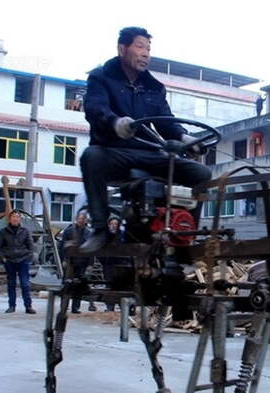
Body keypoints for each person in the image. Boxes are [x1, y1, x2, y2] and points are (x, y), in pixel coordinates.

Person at [79, 26, 212, 253]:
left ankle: (185, 233)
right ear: (122, 48)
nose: (145, 53)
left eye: (148, 49)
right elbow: (95, 109)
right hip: (114, 151)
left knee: (202, 174)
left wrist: (185, 137)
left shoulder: (153, 87)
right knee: (91, 157)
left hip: (148, 152)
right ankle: (101, 229)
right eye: (140, 47)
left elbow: (165, 122)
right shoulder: (100, 78)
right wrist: (115, 122)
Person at [0, 210, 36, 314]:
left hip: (23, 260)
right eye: (13, 217)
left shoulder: (25, 231)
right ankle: (11, 306)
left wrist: (28, 257)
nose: (15, 219)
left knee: (25, 284)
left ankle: (28, 306)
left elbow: (31, 246)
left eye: (17, 217)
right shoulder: (3, 231)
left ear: (20, 219)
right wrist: (3, 259)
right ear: (10, 219)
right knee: (11, 284)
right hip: (9, 261)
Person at [60, 211, 92, 313]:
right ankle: (64, 306)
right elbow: (62, 247)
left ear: (86, 220)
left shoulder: (88, 233)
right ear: (76, 219)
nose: (81, 220)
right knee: (67, 285)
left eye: (83, 219)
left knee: (79, 285)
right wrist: (64, 259)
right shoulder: (69, 231)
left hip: (82, 263)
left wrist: (90, 264)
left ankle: (75, 307)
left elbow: (92, 250)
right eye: (79, 218)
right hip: (70, 262)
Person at [101, 216, 124, 312]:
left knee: (120, 286)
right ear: (108, 225)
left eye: (116, 224)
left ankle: (123, 306)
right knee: (109, 285)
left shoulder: (122, 236)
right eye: (112, 224)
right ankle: (110, 307)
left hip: (120, 265)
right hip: (108, 265)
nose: (114, 226)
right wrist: (104, 261)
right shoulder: (105, 236)